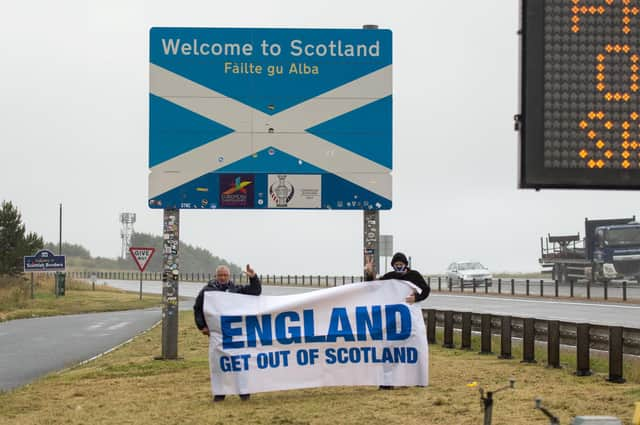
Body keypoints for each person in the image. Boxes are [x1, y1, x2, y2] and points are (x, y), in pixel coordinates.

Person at [193, 264, 262, 402]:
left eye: (225, 275)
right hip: (217, 335)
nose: (223, 277)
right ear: (216, 276)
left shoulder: (236, 290)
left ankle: (243, 392)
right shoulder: (207, 290)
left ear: (229, 276)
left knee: (240, 363)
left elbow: (256, 291)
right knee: (218, 364)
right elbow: (198, 308)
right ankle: (219, 393)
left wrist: (253, 277)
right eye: (220, 275)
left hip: (235, 334)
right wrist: (202, 326)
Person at [364, 252, 430, 390]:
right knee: (390, 348)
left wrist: (416, 298)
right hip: (394, 320)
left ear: (406, 264)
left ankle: (417, 378)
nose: (398, 267)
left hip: (412, 318)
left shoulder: (414, 276)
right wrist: (369, 273)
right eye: (396, 265)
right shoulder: (390, 277)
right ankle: (388, 381)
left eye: (401, 264)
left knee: (416, 346)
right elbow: (373, 287)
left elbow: (426, 290)